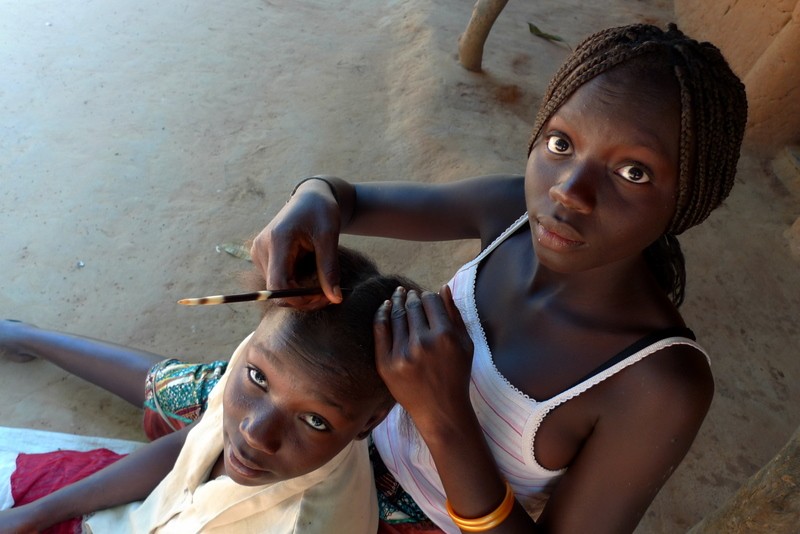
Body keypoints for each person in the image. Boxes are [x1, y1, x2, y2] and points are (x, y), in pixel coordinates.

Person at [248, 23, 748, 533]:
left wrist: (444, 417)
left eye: (633, 172)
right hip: (343, 436)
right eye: (560, 142)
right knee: (202, 416)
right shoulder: (511, 211)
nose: (569, 191)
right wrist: (312, 197)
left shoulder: (658, 384)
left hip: (423, 523)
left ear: (688, 201)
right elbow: (346, 199)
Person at [0, 248, 422, 533]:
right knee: (169, 387)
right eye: (257, 377)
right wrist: (34, 515)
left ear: (370, 422)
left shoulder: (311, 523)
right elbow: (191, 446)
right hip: (133, 518)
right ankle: (27, 336)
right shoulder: (255, 365)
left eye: (315, 420)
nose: (256, 432)